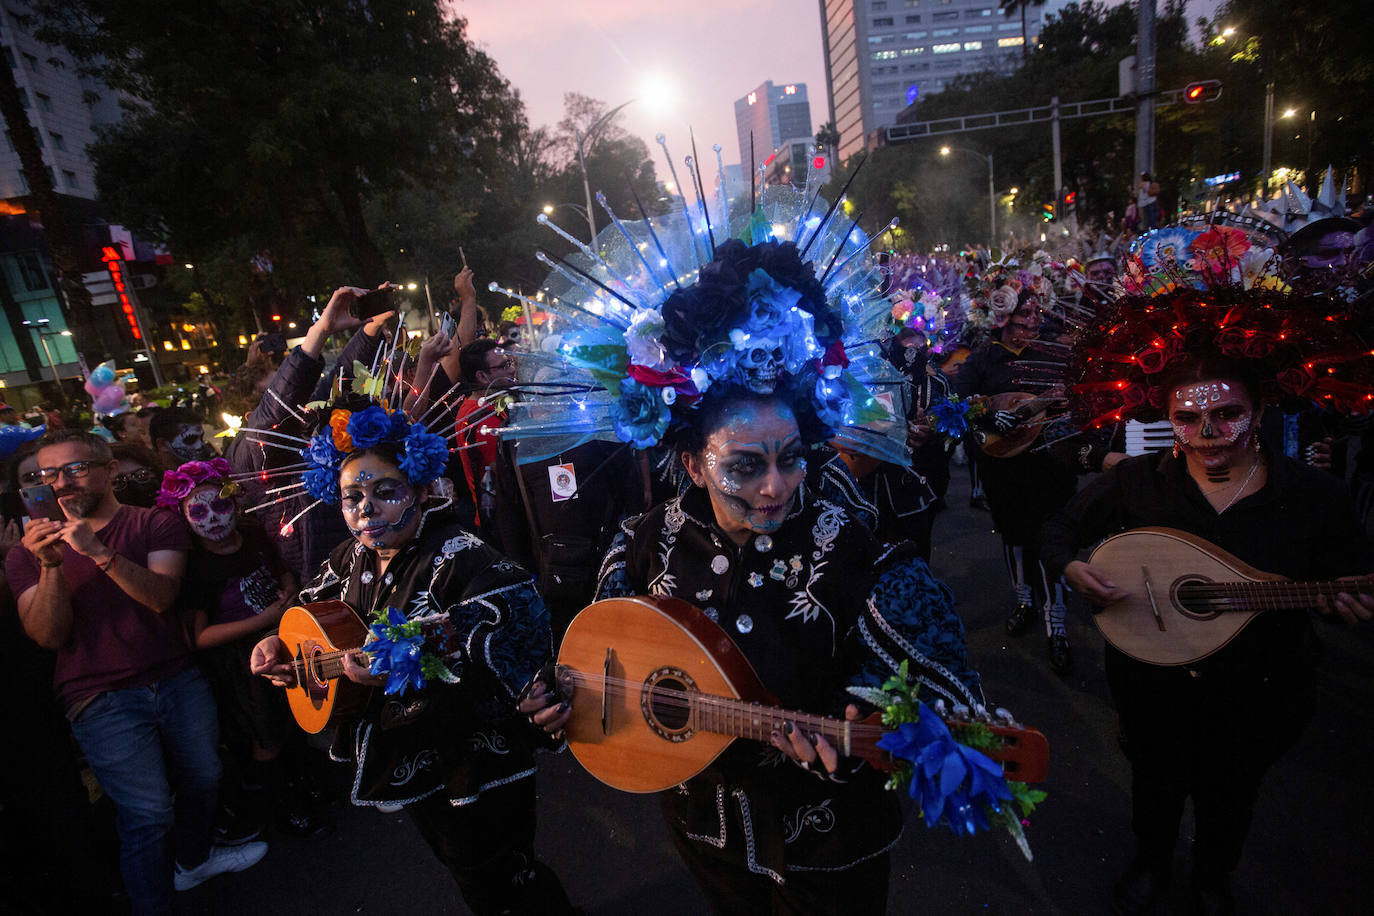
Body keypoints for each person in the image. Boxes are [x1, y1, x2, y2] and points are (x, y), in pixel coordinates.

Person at [507, 228, 991, 914]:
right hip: (704, 828)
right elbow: (596, 658)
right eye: (745, 466)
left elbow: (951, 701)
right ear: (693, 463)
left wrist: (869, 723)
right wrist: (557, 701)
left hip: (826, 845)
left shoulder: (860, 557)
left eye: (791, 458)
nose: (775, 486)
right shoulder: (644, 541)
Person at [249, 397, 574, 915]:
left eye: (385, 492)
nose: (366, 510)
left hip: (469, 756)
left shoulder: (462, 557)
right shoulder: (350, 557)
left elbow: (519, 642)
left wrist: (413, 669)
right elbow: (308, 610)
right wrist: (276, 641)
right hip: (403, 754)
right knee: (462, 865)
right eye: (352, 497)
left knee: (500, 873)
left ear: (421, 491)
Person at [5, 430, 267, 915]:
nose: (61, 483)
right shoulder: (27, 553)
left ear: (109, 470)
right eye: (48, 474)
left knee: (206, 776)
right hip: (98, 695)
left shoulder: (152, 524)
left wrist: (97, 552)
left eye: (75, 469)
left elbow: (161, 598)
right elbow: (47, 636)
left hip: (175, 676)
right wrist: (50, 566)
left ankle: (193, 860)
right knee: (147, 812)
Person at [954, 289, 1077, 674]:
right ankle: (1024, 600)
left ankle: (1056, 620)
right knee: (1012, 533)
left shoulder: (1054, 355)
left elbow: (1075, 402)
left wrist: (1063, 407)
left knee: (1049, 537)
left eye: (1037, 313)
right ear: (1004, 316)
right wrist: (988, 418)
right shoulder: (983, 358)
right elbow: (959, 405)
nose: (1033, 320)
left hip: (1048, 464)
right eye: (1025, 313)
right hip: (1003, 465)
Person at [150, 405, 214, 468]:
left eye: (201, 438)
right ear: (162, 444)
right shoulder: (153, 472)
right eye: (190, 440)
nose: (200, 446)